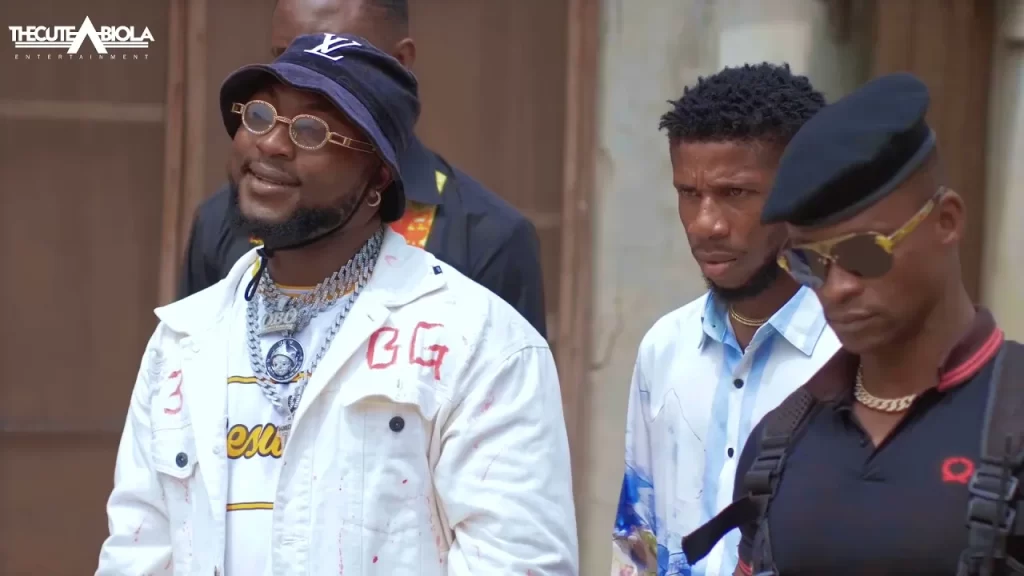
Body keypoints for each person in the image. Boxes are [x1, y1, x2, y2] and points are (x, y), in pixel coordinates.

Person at [96, 33, 577, 576]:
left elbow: (517, 562)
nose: (271, 144)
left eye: (310, 130)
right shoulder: (183, 340)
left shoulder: (479, 343)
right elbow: (137, 552)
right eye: (260, 115)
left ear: (378, 178)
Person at [721, 73, 1024, 575]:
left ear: (946, 221)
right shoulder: (778, 444)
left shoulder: (1011, 417)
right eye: (809, 264)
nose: (837, 287)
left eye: (864, 253)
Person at [178, 0, 548, 338]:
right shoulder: (222, 220)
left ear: (400, 61)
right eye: (284, 58)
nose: (300, 75)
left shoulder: (489, 238)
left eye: (334, 60)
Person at [610, 64, 839, 576]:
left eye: (735, 194)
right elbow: (638, 539)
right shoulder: (664, 348)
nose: (705, 223)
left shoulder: (853, 354)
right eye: (688, 194)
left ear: (805, 192)